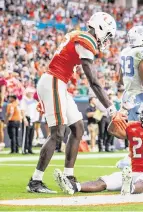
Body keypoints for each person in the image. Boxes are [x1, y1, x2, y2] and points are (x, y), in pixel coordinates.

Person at [27, 12, 118, 193]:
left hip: (58, 82)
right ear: (100, 29)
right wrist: (110, 107)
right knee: (58, 133)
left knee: (77, 128)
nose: (106, 40)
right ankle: (35, 181)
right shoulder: (86, 40)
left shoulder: (78, 35)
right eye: (107, 35)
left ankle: (69, 176)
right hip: (54, 80)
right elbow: (93, 81)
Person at [54, 100, 143, 195]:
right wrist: (120, 114)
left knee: (141, 182)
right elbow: (112, 131)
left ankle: (130, 188)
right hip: (131, 172)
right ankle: (74, 187)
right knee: (104, 181)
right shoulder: (134, 126)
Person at [118, 26, 143, 121]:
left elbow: (120, 80)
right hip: (139, 97)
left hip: (126, 96)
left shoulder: (125, 51)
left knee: (129, 132)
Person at [20, 87, 37, 154]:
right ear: (27, 93)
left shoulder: (33, 100)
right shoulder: (24, 100)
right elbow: (22, 110)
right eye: (30, 92)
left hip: (32, 119)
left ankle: (30, 148)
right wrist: (24, 118)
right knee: (25, 134)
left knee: (31, 135)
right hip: (27, 118)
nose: (31, 94)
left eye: (32, 92)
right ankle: (24, 149)